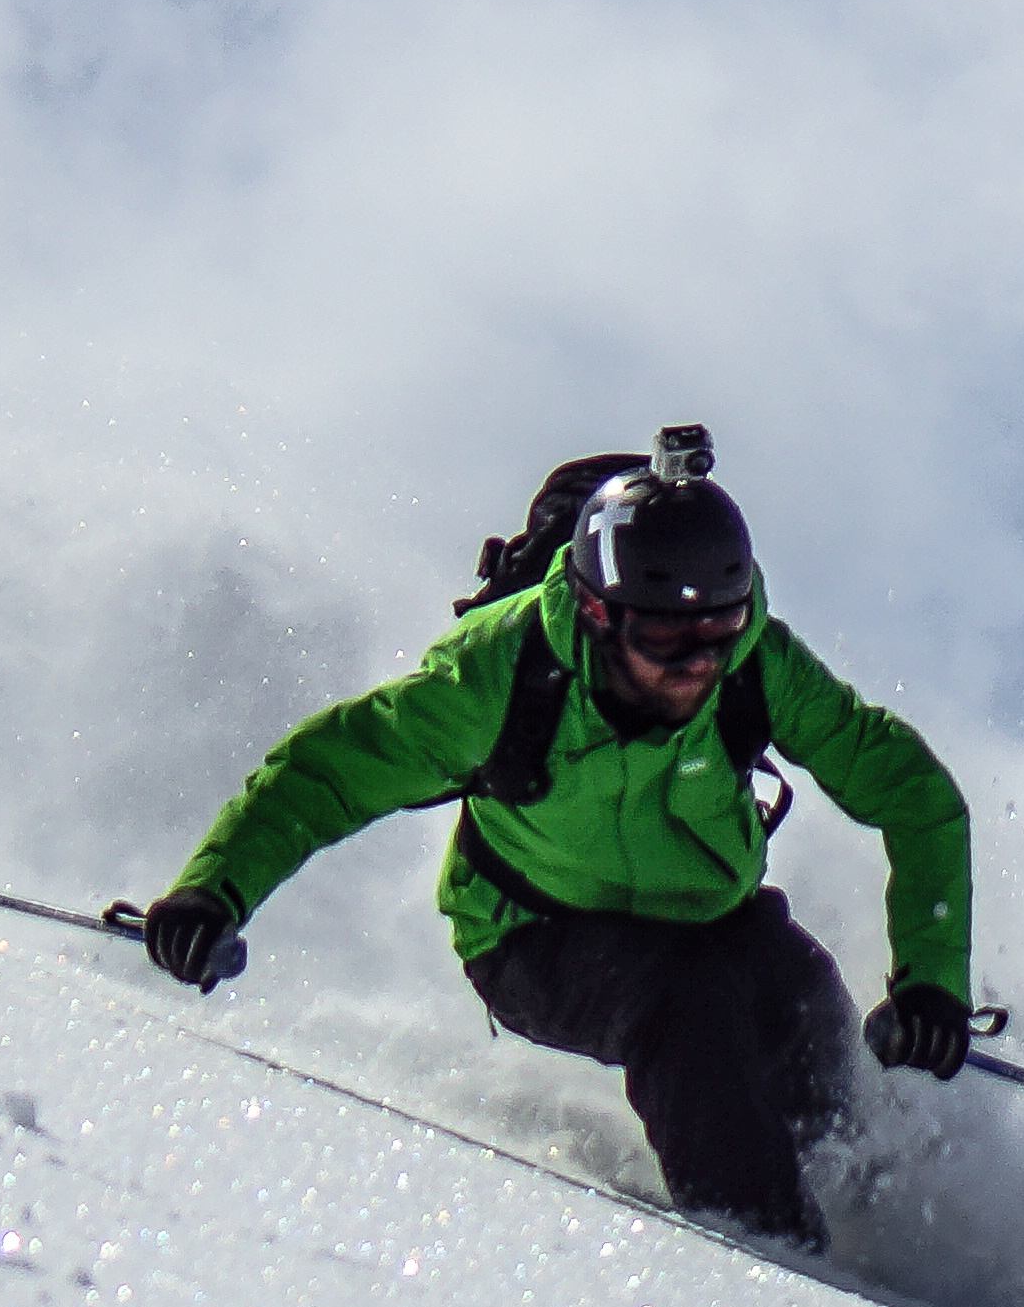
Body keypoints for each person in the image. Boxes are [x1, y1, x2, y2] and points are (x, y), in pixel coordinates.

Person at [134, 431, 973, 1248]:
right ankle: (769, 1247)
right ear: (600, 613)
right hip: (534, 933)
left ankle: (871, 1203)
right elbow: (328, 774)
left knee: (804, 998)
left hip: (710, 918)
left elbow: (911, 793)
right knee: (685, 1005)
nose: (698, 663)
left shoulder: (759, 665)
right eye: (665, 638)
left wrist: (932, 982)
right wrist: (214, 892)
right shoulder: (497, 676)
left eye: (720, 631)